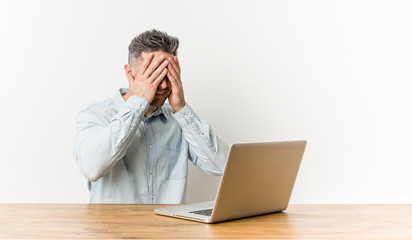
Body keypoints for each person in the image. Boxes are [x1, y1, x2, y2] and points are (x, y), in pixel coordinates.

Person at [73, 29, 229, 204]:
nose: (163, 85)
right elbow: (91, 168)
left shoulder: (179, 120)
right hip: (114, 231)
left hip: (168, 229)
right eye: (154, 74)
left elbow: (222, 167)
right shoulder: (95, 114)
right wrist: (137, 104)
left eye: (168, 75)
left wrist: (182, 109)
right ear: (130, 73)